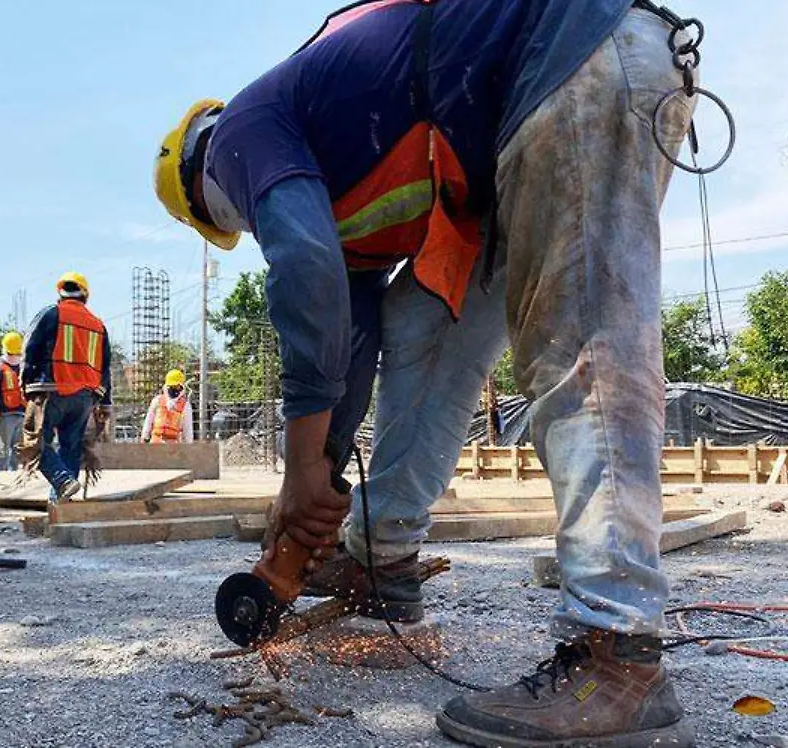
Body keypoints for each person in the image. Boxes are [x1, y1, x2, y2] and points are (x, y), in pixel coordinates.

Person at [153, 1, 700, 745]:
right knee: (421, 326)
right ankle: (382, 563)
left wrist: (301, 471)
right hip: (525, 133)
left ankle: (617, 652)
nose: (245, 225)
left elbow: (303, 269)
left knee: (583, 353)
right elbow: (339, 349)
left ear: (202, 189)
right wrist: (314, 483)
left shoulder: (238, 135)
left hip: (579, 61)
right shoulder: (336, 170)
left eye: (234, 221)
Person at [23, 272, 113, 501]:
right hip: (84, 397)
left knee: (34, 442)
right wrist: (105, 403)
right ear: (86, 295)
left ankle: (62, 481)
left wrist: (26, 382)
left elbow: (30, 348)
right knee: (70, 448)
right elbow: (106, 367)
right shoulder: (98, 325)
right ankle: (61, 503)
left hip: (52, 390)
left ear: (60, 293)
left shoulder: (51, 314)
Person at [0, 331, 27, 471]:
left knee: (8, 448)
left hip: (13, 413)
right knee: (7, 449)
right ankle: (2, 475)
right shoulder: (21, 366)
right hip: (12, 413)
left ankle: (5, 476)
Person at [141, 369, 194, 444]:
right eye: (172, 386)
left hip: (173, 447)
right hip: (155, 444)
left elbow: (188, 429)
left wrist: (189, 446)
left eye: (177, 386)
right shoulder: (158, 400)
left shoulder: (185, 406)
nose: (174, 389)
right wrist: (144, 437)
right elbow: (149, 420)